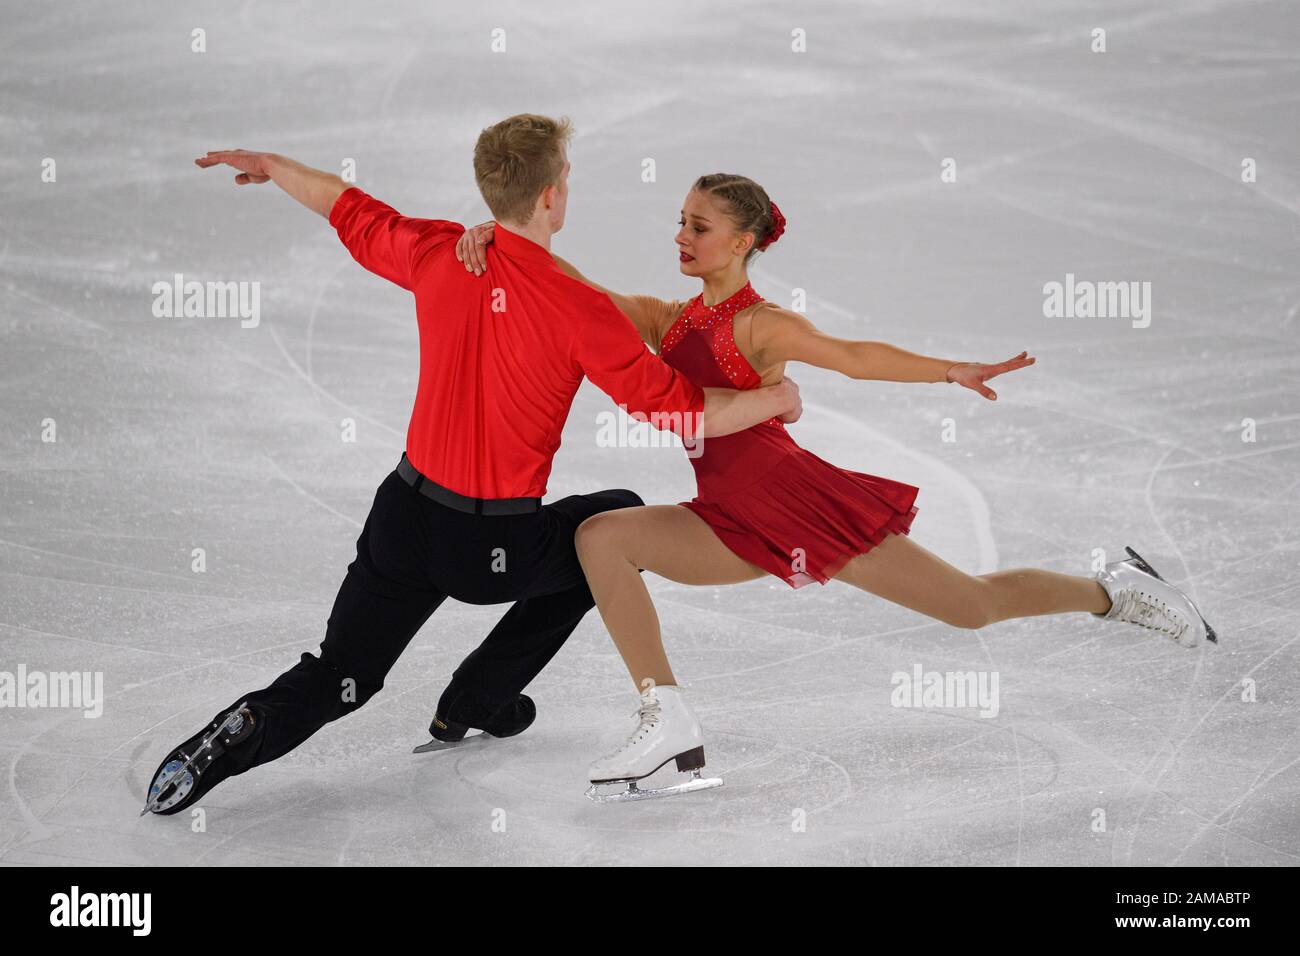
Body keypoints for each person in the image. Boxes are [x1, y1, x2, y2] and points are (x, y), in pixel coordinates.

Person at [454, 172, 1218, 801]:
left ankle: (1112, 590)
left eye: (700, 228)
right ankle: (668, 719)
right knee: (602, 537)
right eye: (681, 222)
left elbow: (852, 354)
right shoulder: (673, 319)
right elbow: (583, 295)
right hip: (728, 515)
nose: (682, 238)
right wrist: (509, 241)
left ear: (744, 242)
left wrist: (949, 369)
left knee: (970, 607)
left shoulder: (761, 326)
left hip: (797, 504)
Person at [141, 118, 802, 815]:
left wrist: (272, 162)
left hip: (401, 517)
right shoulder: (580, 310)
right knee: (606, 532)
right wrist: (777, 399)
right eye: (567, 177)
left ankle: (247, 728)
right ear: (551, 196)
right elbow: (685, 411)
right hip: (490, 547)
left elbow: (345, 205)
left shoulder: (441, 252)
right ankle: (478, 696)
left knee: (343, 677)